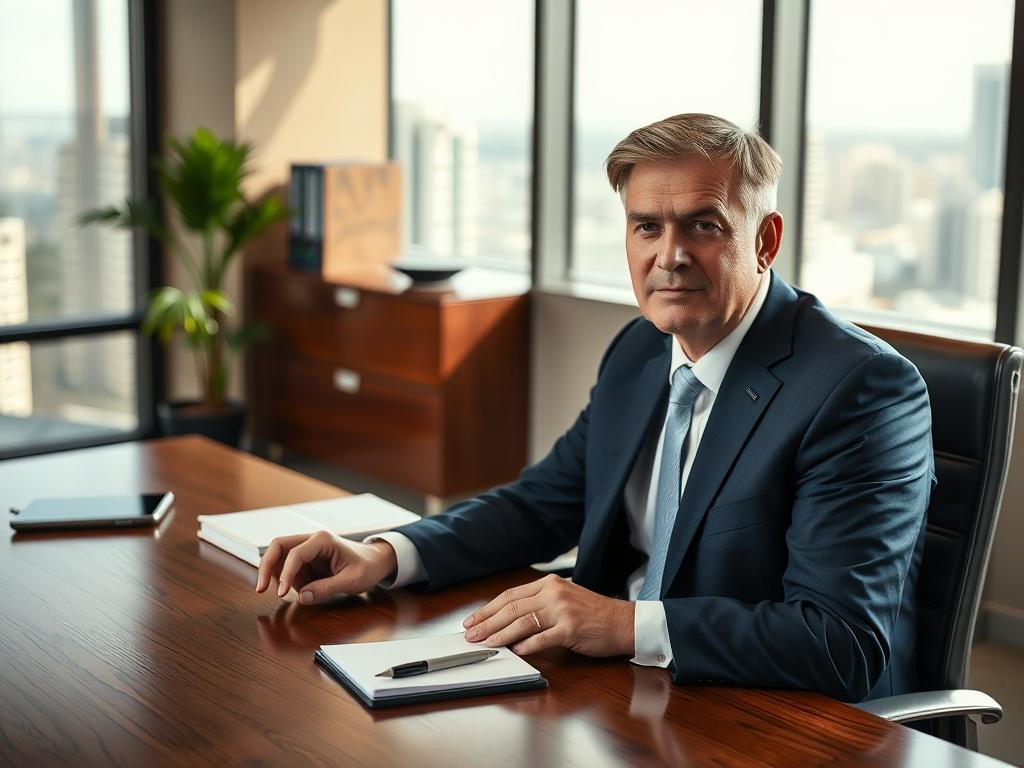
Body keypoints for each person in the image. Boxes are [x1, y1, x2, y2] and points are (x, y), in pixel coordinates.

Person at [256, 113, 934, 702]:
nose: (669, 255)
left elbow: (839, 643)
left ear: (765, 239)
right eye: (647, 227)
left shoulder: (861, 391)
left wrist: (621, 623)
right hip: (625, 690)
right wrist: (386, 554)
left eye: (703, 225)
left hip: (767, 714)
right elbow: (542, 504)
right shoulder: (641, 350)